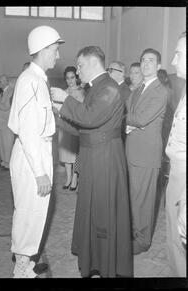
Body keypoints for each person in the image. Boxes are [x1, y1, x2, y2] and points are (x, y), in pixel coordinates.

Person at [51, 46, 133, 278]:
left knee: (102, 211)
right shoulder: (97, 87)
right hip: (94, 156)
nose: (77, 71)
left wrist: (65, 99)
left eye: (80, 65)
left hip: (104, 158)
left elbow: (88, 118)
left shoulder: (108, 88)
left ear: (94, 63)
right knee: (94, 210)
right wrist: (60, 113)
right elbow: (84, 127)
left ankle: (105, 264)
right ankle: (95, 259)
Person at [8, 25, 64, 278]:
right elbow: (29, 132)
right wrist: (40, 173)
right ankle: (20, 269)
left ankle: (26, 260)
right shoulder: (30, 80)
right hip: (32, 156)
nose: (58, 56)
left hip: (38, 151)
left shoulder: (38, 78)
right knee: (28, 213)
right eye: (55, 50)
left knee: (36, 211)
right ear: (43, 50)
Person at [125, 48, 167, 255]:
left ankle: (143, 241)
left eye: (151, 61)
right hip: (132, 151)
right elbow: (131, 114)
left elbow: (140, 119)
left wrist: (128, 120)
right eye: (143, 60)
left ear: (158, 66)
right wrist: (131, 121)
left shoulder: (161, 91)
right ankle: (133, 233)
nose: (146, 64)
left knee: (144, 200)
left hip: (147, 154)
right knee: (133, 197)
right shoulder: (137, 89)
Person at [165, 31, 186, 277]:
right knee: (173, 238)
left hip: (183, 177)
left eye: (178, 53)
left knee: (179, 242)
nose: (173, 61)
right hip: (176, 173)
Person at [57, 66, 84, 190]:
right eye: (68, 78)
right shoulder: (64, 91)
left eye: (72, 77)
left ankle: (74, 179)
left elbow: (82, 111)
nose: (70, 80)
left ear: (76, 78)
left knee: (74, 155)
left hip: (74, 126)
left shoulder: (81, 91)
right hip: (63, 125)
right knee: (65, 154)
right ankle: (68, 178)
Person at [0, 74, 15, 170]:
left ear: (6, 82)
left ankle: (9, 164)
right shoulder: (1, 93)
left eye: (0, 81)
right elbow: (0, 106)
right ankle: (4, 162)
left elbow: (6, 107)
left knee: (7, 144)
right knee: (1, 144)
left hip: (7, 123)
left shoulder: (11, 92)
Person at [107, 61, 131, 143]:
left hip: (119, 135)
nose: (107, 73)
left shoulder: (125, 91)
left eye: (110, 70)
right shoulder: (114, 89)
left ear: (121, 73)